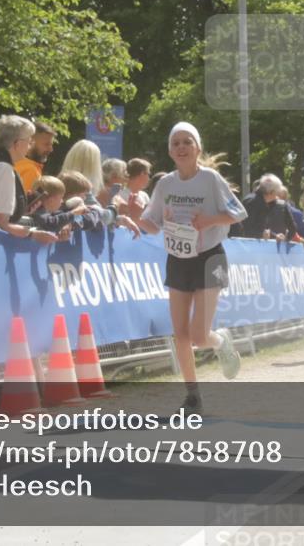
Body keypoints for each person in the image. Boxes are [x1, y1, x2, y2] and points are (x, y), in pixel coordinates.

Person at [129, 122, 246, 413]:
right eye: (176, 143)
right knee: (180, 334)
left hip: (211, 257)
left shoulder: (210, 179)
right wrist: (132, 216)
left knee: (198, 335)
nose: (181, 147)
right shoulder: (165, 184)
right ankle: (192, 395)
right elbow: (153, 226)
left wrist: (208, 221)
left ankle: (220, 342)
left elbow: (238, 212)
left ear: (198, 148)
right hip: (178, 258)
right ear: (170, 150)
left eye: (187, 142)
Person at [0, 115, 58, 244]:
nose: (30, 146)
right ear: (17, 144)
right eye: (29, 141)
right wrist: (32, 234)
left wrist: (21, 209)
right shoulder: (3, 169)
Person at [237, 173, 297, 241]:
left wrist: (275, 236)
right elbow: (245, 229)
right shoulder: (252, 202)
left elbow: (262, 229)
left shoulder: (263, 202)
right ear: (271, 192)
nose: (277, 196)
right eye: (277, 193)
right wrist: (260, 234)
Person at [13, 120, 56, 193]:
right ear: (30, 143)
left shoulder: (13, 162)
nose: (51, 149)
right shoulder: (30, 170)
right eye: (46, 144)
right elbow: (27, 204)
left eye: (51, 144)